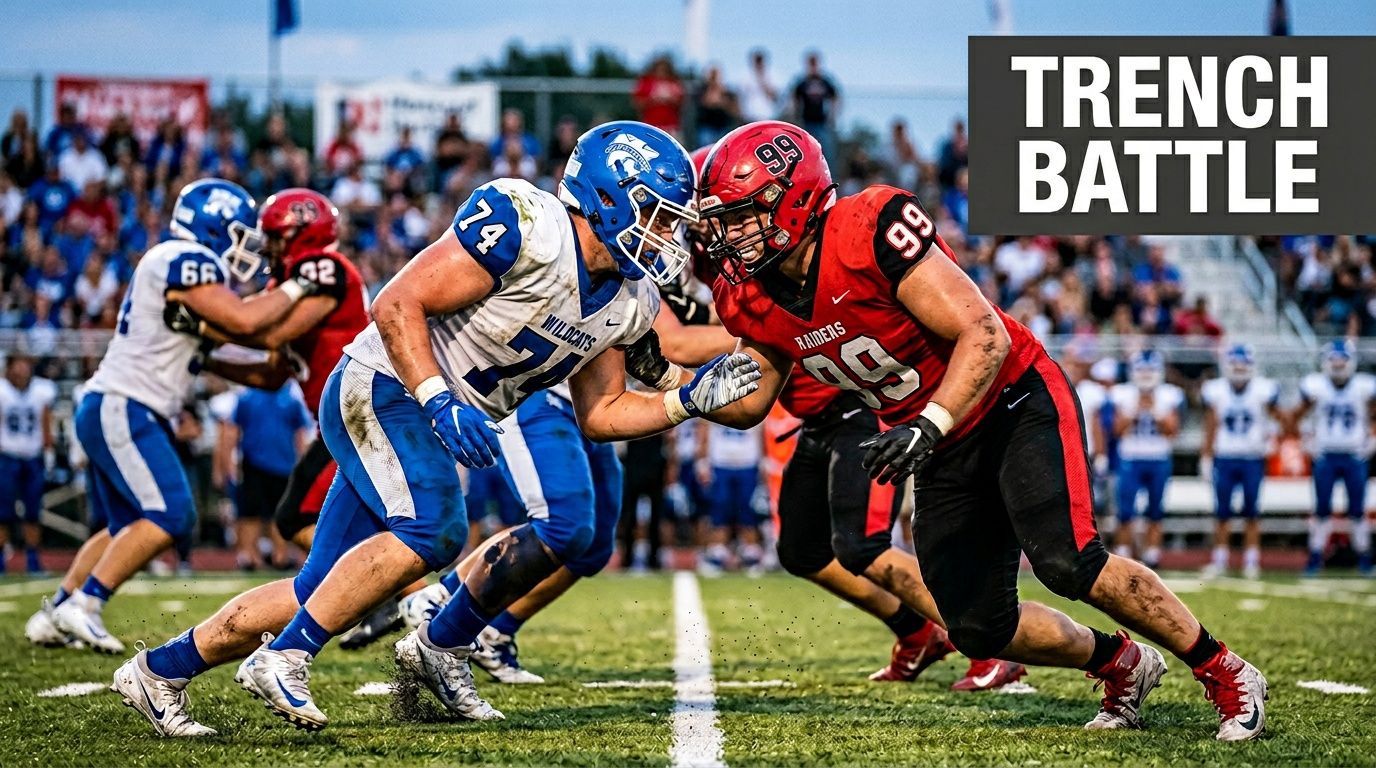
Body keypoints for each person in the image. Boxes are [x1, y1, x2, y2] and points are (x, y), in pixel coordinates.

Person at [110, 120, 760, 736]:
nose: (665, 236)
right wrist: (438, 399)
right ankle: (286, 657)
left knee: (320, 587)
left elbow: (601, 412)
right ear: (607, 198)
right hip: (386, 384)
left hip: (427, 409)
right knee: (437, 527)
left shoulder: (631, 299)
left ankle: (160, 671)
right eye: (656, 215)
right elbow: (398, 302)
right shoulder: (528, 225)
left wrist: (685, 402)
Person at [695, 120, 1268, 741]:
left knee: (1069, 560)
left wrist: (928, 425)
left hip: (1010, 401)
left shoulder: (867, 228)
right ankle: (1120, 662)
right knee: (975, 627)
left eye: (743, 215)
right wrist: (676, 390)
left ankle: (1224, 669)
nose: (731, 234)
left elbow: (984, 334)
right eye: (726, 219)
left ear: (793, 199)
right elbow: (752, 403)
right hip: (937, 439)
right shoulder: (749, 295)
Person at [23, 178, 329, 655]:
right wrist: (299, 286)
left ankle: (56, 611)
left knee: (125, 527)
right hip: (125, 404)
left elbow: (252, 356)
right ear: (213, 227)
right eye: (239, 234)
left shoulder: (184, 272)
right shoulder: (183, 257)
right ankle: (85, 604)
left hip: (116, 405)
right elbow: (246, 322)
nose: (244, 248)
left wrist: (266, 351)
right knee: (171, 513)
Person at [1290, 339, 1375, 576]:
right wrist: (1304, 439)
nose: (1338, 365)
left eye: (1342, 360)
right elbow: (1295, 415)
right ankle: (1315, 558)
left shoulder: (1363, 386)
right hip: (1326, 455)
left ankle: (1364, 559)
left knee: (1357, 510)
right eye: (1334, 360)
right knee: (1321, 509)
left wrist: (1372, 438)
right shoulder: (1316, 386)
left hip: (1355, 455)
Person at [1199, 344, 1282, 580]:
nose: (1238, 369)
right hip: (1225, 456)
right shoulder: (1216, 390)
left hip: (1252, 457)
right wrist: (1206, 456)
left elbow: (1277, 417)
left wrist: (1272, 438)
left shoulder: (1262, 390)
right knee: (1222, 512)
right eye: (1235, 365)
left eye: (1242, 365)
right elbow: (1211, 424)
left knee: (1252, 512)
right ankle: (1220, 559)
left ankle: (1252, 559)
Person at [218, 382, 313, 571]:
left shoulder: (291, 398)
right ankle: (249, 556)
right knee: (250, 512)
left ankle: (280, 555)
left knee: (279, 513)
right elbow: (232, 430)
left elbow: (300, 434)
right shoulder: (247, 396)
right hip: (253, 463)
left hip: (285, 466)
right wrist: (228, 464)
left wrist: (303, 466)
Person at [1109, 350, 1183, 569]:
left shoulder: (1169, 395)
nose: (1146, 375)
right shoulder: (1123, 394)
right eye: (1142, 370)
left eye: (1150, 371)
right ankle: (1123, 553)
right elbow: (1117, 430)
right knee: (1125, 510)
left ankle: (1152, 554)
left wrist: (1155, 411)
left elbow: (1172, 430)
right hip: (1130, 457)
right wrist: (1135, 410)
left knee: (1155, 510)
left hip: (1158, 457)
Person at [0, 351, 57, 573]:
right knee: (2, 512)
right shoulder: (3, 390)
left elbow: (46, 421)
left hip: (33, 457)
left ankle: (33, 559)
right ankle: (1, 559)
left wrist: (49, 451)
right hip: (7, 456)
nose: (22, 370)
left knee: (33, 511)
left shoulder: (42, 390)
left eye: (25, 365)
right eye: (19, 365)